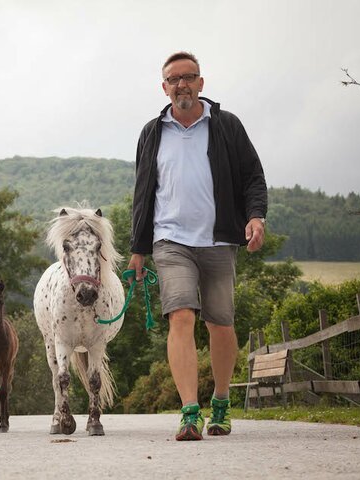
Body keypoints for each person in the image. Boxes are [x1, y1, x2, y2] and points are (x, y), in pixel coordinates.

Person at [127, 51, 267, 441]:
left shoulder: (226, 126)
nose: (182, 84)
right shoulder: (152, 132)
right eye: (174, 79)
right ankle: (190, 411)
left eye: (189, 77)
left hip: (219, 239)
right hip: (170, 241)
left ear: (201, 83)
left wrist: (256, 216)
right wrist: (138, 250)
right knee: (181, 316)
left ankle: (220, 402)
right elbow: (143, 194)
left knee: (220, 323)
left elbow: (253, 177)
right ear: (164, 87)